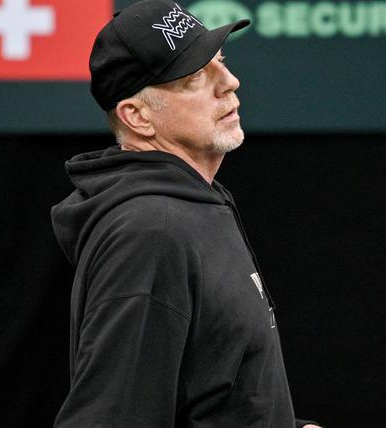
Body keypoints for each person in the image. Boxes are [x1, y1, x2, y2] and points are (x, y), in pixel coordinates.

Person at [50, 1, 319, 426]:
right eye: (196, 77)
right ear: (137, 117)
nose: (230, 81)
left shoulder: (193, 204)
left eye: (221, 62)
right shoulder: (151, 232)